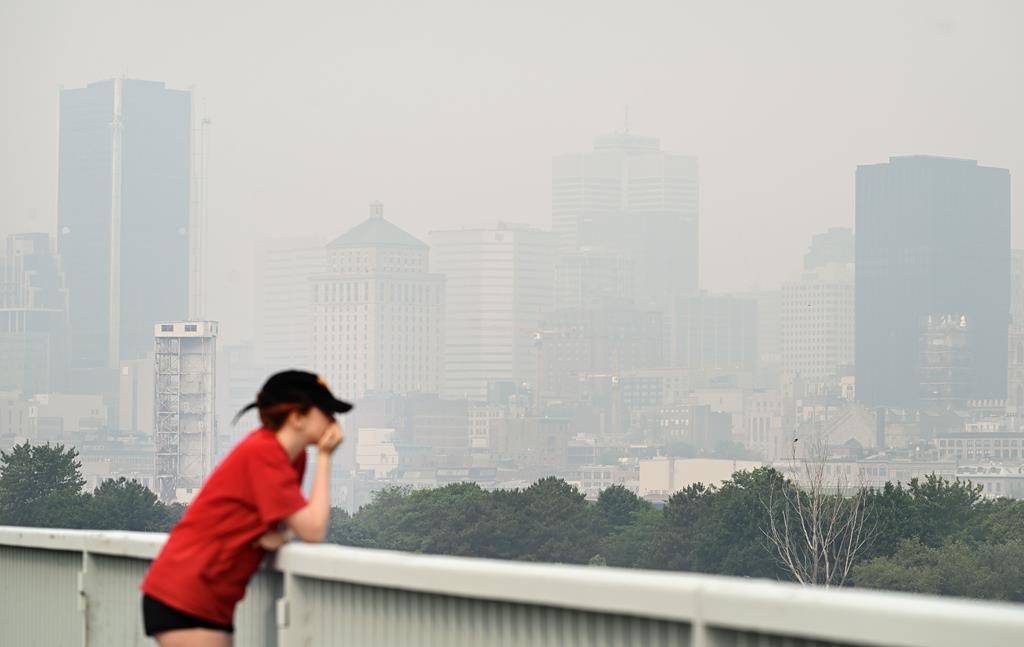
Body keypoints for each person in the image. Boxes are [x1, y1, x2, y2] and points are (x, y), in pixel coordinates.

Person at [140, 370, 352, 647]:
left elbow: (282, 522)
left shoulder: (292, 458)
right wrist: (325, 457)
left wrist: (277, 535)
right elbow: (312, 529)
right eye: (326, 411)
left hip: (213, 597)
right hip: (187, 593)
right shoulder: (264, 452)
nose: (333, 420)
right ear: (297, 417)